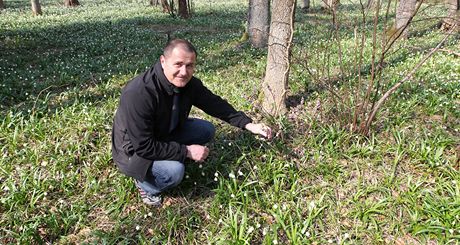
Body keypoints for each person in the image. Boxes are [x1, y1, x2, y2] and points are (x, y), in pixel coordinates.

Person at [111, 39, 272, 207]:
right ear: (163, 61)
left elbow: (214, 104)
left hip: (163, 132)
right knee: (174, 172)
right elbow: (144, 146)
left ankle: (170, 155)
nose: (184, 72)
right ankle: (146, 185)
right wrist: (186, 151)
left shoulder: (189, 84)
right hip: (133, 152)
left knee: (206, 130)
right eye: (178, 64)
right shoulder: (139, 93)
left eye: (190, 65)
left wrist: (248, 124)